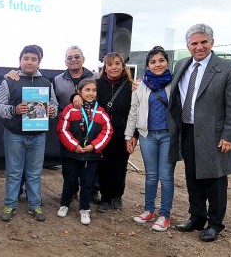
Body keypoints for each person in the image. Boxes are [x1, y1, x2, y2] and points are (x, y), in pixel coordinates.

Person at [169, 24, 231, 242]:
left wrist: (230, 136)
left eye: (204, 42)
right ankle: (196, 217)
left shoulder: (229, 68)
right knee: (193, 177)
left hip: (215, 136)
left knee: (215, 181)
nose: (199, 47)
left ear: (212, 42)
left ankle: (215, 224)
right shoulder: (182, 65)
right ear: (188, 45)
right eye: (194, 43)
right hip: (188, 131)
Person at [0, 45, 57, 222]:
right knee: (14, 172)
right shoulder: (9, 81)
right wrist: (15, 110)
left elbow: (55, 105)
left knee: (35, 172)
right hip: (14, 135)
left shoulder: (46, 83)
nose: (30, 62)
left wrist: (52, 111)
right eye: (26, 58)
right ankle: (10, 204)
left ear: (39, 62)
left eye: (34, 59)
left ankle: (34, 205)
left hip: (38, 136)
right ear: (20, 60)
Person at [125, 46, 176, 232]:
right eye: (153, 61)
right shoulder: (140, 85)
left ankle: (165, 215)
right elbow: (134, 111)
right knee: (151, 176)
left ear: (167, 62)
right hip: (147, 135)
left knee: (166, 176)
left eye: (161, 60)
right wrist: (129, 135)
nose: (157, 65)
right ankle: (149, 210)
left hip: (168, 136)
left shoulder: (175, 84)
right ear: (147, 65)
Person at [57, 78, 112, 225]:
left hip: (91, 156)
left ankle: (85, 208)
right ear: (79, 92)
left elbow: (107, 132)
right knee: (70, 181)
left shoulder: (100, 112)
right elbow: (62, 129)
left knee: (88, 183)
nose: (91, 93)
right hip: (72, 154)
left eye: (94, 90)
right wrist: (74, 145)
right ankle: (65, 204)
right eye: (87, 90)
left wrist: (94, 146)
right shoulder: (70, 109)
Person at [93, 52, 134, 213]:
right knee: (104, 166)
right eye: (110, 64)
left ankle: (117, 195)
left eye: (117, 63)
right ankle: (105, 197)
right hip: (102, 132)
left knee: (120, 165)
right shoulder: (97, 84)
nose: (114, 67)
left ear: (123, 66)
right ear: (105, 67)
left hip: (122, 132)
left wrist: (133, 134)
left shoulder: (130, 86)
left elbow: (135, 112)